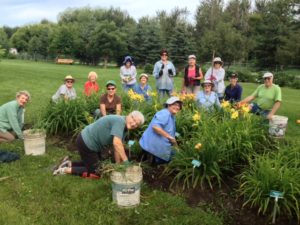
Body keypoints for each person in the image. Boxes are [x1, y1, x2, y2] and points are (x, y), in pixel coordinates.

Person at [53, 111, 145, 176]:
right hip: (86, 143)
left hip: (88, 141)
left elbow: (116, 147)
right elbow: (117, 143)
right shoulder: (120, 122)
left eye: (136, 124)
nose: (133, 124)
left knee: (96, 164)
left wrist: (118, 165)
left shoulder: (124, 128)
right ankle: (64, 170)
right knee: (96, 171)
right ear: (129, 115)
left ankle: (68, 163)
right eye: (133, 119)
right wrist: (125, 161)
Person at [139, 97, 182, 164]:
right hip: (154, 148)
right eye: (174, 104)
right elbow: (155, 127)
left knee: (176, 154)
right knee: (175, 157)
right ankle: (151, 159)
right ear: (168, 105)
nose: (177, 107)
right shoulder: (165, 113)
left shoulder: (171, 116)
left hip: (156, 146)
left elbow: (168, 129)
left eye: (178, 106)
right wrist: (169, 137)